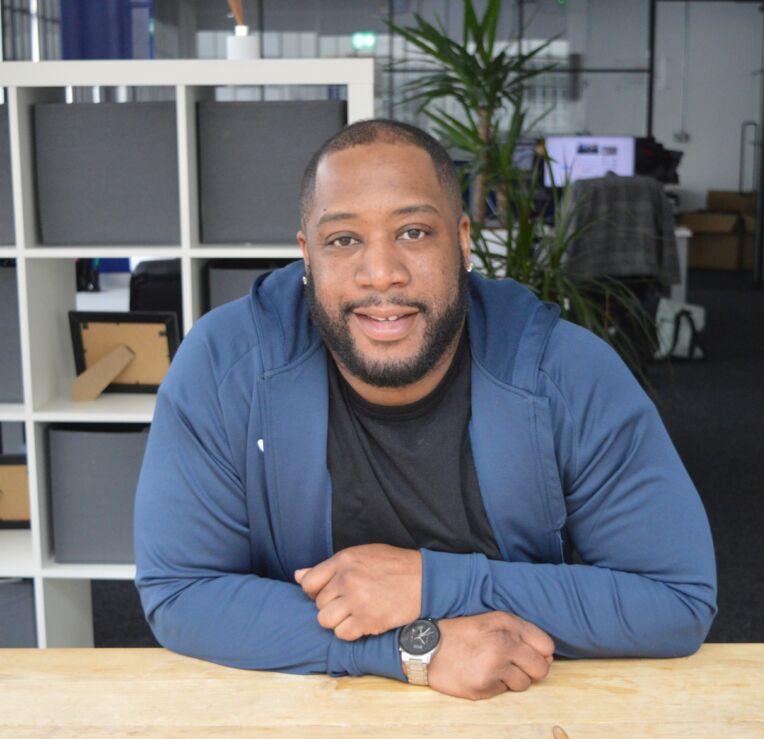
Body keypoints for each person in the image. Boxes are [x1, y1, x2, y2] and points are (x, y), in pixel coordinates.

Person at [133, 119, 717, 701]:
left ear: (463, 241)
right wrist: (415, 649)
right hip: (304, 712)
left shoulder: (567, 371)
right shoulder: (225, 364)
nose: (382, 273)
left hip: (519, 706)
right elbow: (180, 593)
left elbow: (675, 601)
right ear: (306, 256)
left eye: (413, 232)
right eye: (344, 240)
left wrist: (429, 583)